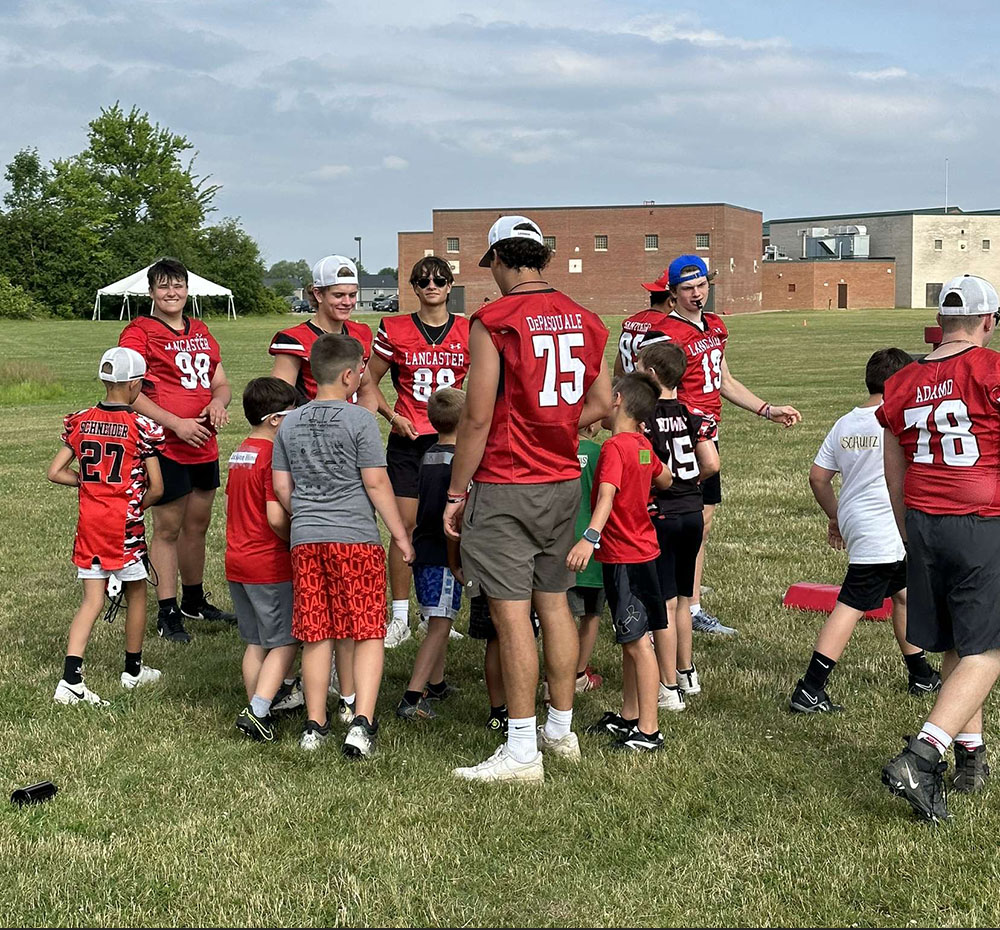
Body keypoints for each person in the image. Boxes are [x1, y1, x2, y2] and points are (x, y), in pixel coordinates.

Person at [445, 214, 611, 784]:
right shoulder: (585, 319)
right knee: (555, 600)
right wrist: (557, 429)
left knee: (512, 614)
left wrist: (455, 490)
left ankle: (521, 749)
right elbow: (605, 402)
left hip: (509, 480)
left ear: (500, 259)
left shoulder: (494, 318)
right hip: (564, 479)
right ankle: (560, 731)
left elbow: (475, 415)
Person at [878, 274, 1000, 823]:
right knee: (989, 651)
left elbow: (893, 463)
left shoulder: (903, 380)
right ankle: (923, 754)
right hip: (979, 520)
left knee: (956, 639)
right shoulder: (990, 369)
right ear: (987, 322)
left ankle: (970, 757)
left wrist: (908, 526)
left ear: (941, 322)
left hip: (924, 520)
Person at [272, 333, 413, 759]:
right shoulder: (360, 421)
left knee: (317, 631)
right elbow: (375, 482)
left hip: (307, 539)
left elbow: (282, 488)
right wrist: (401, 535)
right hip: (355, 540)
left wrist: (311, 513)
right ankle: (362, 723)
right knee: (367, 630)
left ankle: (315, 725)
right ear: (350, 376)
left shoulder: (290, 421)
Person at [653, 254, 801, 637]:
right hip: (679, 435)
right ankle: (665, 605)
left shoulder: (715, 327)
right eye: (688, 289)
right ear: (672, 294)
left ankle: (690, 605)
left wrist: (766, 409)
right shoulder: (664, 333)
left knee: (701, 521)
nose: (697, 294)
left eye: (702, 286)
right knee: (675, 521)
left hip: (707, 431)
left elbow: (724, 380)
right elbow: (652, 387)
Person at [790, 348, 941, 715]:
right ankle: (810, 689)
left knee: (904, 595)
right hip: (885, 528)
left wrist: (837, 516)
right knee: (851, 605)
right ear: (900, 383)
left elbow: (818, 477)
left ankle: (920, 674)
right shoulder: (898, 419)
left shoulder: (846, 422)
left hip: (861, 521)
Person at [119, 257, 234, 644]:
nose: (172, 293)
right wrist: (176, 423)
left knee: (197, 526)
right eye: (164, 287)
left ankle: (194, 599)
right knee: (167, 529)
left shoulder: (200, 329)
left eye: (178, 286)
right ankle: (167, 611)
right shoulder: (140, 332)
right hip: (166, 444)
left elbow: (221, 382)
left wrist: (219, 402)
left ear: (188, 289)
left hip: (204, 442)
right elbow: (128, 391)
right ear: (151, 292)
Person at [359, 256, 470, 648]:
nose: (432, 285)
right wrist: (392, 415)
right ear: (414, 286)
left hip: (452, 440)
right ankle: (401, 615)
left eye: (439, 279)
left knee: (447, 524)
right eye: (423, 280)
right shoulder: (395, 327)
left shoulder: (469, 330)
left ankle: (436, 613)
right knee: (404, 527)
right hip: (409, 438)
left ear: (449, 284)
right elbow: (367, 381)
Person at [48, 347, 164, 705]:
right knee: (137, 592)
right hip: (122, 526)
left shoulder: (81, 420)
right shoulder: (142, 426)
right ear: (133, 384)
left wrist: (87, 484)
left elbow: (55, 472)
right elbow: (157, 488)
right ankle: (133, 669)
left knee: (91, 600)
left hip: (90, 524)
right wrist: (135, 505)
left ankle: (71, 678)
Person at [568, 372, 673, 750]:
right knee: (634, 637)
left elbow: (607, 497)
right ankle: (630, 714)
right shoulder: (642, 445)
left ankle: (649, 730)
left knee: (636, 644)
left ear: (614, 400)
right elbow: (667, 478)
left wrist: (589, 539)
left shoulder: (614, 447)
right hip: (646, 553)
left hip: (623, 558)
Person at [637, 338, 720, 711]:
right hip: (692, 510)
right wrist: (693, 484)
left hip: (664, 512)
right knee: (685, 600)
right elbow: (712, 464)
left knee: (665, 604)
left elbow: (646, 465)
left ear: (651, 374)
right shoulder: (694, 414)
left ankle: (667, 686)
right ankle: (688, 673)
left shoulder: (645, 417)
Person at [226, 377, 301, 743]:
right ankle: (257, 710)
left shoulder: (241, 451)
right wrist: (295, 540)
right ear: (275, 420)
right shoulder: (273, 455)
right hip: (267, 563)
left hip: (237, 560)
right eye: (292, 415)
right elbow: (275, 516)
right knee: (287, 640)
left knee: (257, 641)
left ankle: (259, 707)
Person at [396, 387, 466, 720]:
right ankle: (412, 696)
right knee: (439, 625)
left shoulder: (428, 455)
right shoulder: (460, 463)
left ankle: (436, 684)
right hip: (442, 553)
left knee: (436, 617)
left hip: (424, 548)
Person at [270, 255, 373, 403]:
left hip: (351, 422)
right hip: (312, 423)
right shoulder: (295, 339)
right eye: (338, 295)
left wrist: (361, 422)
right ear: (318, 294)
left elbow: (367, 390)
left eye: (352, 295)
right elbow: (278, 400)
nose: (347, 302)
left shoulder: (361, 332)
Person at [568, 421, 606, 693]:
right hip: (594, 545)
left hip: (561, 544)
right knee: (591, 614)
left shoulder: (558, 450)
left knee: (561, 615)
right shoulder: (600, 453)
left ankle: (555, 671)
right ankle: (579, 673)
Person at [614, 272, 676, 376]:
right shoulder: (667, 325)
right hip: (649, 389)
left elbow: (619, 368)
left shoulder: (630, 321)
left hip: (627, 386)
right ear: (671, 301)